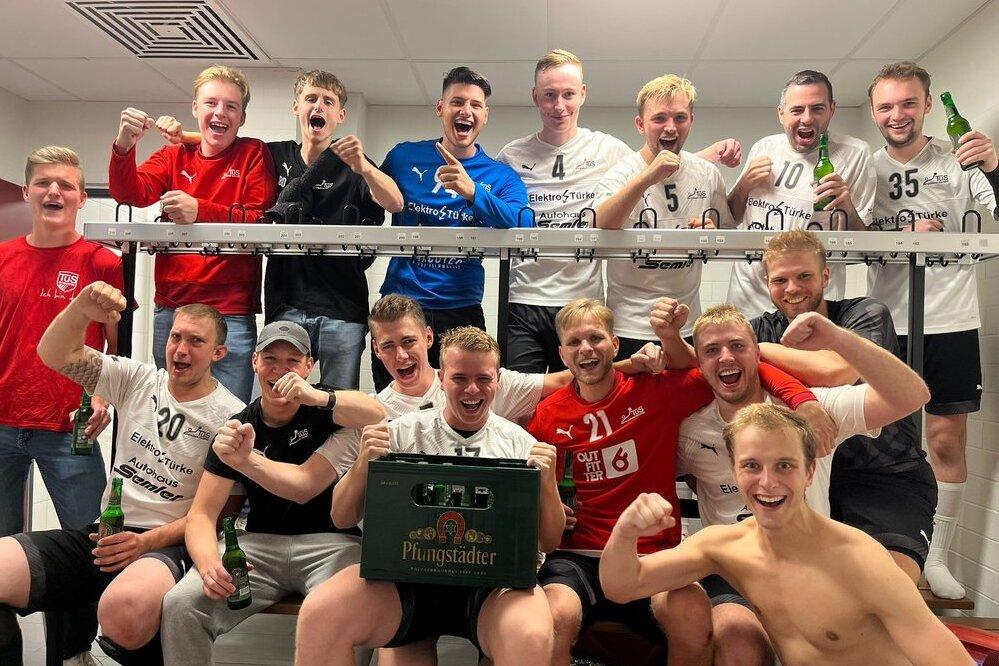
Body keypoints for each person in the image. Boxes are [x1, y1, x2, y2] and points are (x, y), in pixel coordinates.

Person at [525, 298, 820, 665]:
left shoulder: (656, 389)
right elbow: (545, 514)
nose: (586, 349)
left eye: (596, 338)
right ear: (562, 353)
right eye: (574, 343)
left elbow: (738, 369)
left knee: (693, 616)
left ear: (615, 344)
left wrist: (801, 399)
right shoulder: (547, 415)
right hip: (578, 556)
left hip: (654, 554)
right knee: (553, 617)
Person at [600, 403, 973, 666]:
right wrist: (626, 531)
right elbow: (624, 585)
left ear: (809, 472)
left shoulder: (859, 560)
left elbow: (946, 658)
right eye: (751, 466)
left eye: (784, 466)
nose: (767, 482)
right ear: (733, 470)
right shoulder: (726, 546)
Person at [670, 304, 930, 664]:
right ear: (698, 363)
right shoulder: (691, 430)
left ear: (758, 352)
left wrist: (839, 339)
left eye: (738, 346)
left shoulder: (815, 410)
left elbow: (911, 396)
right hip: (735, 571)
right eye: (712, 350)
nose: (726, 357)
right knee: (738, 647)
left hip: (811, 567)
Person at [0, 282, 243, 666]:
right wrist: (82, 309)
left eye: (196, 341)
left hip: (165, 545)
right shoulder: (137, 378)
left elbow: (220, 514)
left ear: (218, 353)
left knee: (124, 611)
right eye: (176, 336)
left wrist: (146, 543)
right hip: (104, 533)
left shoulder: (231, 416)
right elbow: (53, 353)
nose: (180, 349)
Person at [294, 327, 563, 666]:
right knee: (319, 614)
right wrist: (364, 463)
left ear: (497, 379)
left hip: (491, 588)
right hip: (407, 582)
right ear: (441, 377)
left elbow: (550, 541)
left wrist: (548, 483)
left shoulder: (519, 443)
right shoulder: (400, 432)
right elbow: (341, 516)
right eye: (459, 377)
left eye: (483, 378)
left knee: (532, 634)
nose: (471, 389)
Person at [158, 70, 403, 389]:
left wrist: (365, 167)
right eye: (311, 99)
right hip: (286, 304)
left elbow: (395, 203)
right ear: (296, 107)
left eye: (328, 102)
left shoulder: (354, 162)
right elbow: (229, 144)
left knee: (339, 403)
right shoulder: (274, 155)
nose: (319, 106)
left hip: (343, 309)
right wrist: (185, 136)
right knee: (279, 400)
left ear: (340, 114)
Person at [159, 321, 384, 665]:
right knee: (181, 604)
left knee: (360, 601)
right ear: (254, 362)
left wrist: (315, 396)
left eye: (292, 361)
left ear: (309, 366)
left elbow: (376, 413)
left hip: (333, 544)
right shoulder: (237, 426)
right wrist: (207, 566)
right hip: (259, 547)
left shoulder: (326, 409)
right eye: (270, 359)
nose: (280, 370)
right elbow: (203, 514)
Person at [865, 61, 999, 598]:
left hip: (951, 318)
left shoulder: (959, 158)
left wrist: (992, 165)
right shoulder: (864, 167)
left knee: (945, 438)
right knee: (882, 441)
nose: (897, 115)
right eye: (886, 105)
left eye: (908, 103)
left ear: (925, 106)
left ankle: (937, 557)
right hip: (885, 322)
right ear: (874, 111)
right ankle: (891, 556)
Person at [751, 229, 937, 584]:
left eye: (804, 276)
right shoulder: (761, 327)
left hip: (884, 475)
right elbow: (716, 362)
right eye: (781, 280)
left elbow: (836, 371)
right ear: (767, 283)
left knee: (886, 589)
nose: (792, 288)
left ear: (825, 275)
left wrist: (760, 351)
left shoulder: (864, 314)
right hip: (811, 481)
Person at [0, 147, 123, 665]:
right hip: (1, 425)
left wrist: (101, 394)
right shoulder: (2, 257)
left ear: (81, 197)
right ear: (27, 192)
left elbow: (114, 345)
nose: (55, 192)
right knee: (2, 556)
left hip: (68, 430)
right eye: (45, 183)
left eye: (67, 185)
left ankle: (71, 656)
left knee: (90, 550)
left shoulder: (102, 261)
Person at [108, 64, 277, 402]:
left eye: (231, 106)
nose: (221, 112)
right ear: (195, 109)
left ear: (242, 117)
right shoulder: (173, 156)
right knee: (173, 410)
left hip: (231, 310)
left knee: (230, 416)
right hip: (173, 306)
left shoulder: (252, 153)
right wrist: (124, 145)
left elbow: (260, 219)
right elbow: (131, 193)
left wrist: (199, 211)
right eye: (211, 103)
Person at [374, 66, 529, 390]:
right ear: (441, 108)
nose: (466, 111)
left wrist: (473, 191)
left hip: (460, 306)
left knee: (464, 401)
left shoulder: (499, 176)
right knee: (394, 403)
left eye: (475, 105)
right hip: (401, 304)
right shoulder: (404, 156)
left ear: (485, 115)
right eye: (457, 102)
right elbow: (372, 204)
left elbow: (524, 224)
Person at [496, 49, 633, 372]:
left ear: (582, 94)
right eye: (550, 95)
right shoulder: (511, 155)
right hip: (524, 299)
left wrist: (708, 156)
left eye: (568, 94)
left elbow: (652, 170)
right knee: (521, 401)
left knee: (578, 399)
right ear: (535, 97)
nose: (559, 106)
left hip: (582, 301)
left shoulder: (607, 149)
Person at [593, 74, 735, 358]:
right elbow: (598, 225)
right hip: (629, 326)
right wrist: (647, 178)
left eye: (680, 118)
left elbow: (726, 231)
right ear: (640, 124)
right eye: (659, 118)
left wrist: (711, 231)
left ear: (691, 121)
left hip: (687, 323)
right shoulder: (621, 173)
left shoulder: (707, 174)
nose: (670, 127)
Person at [725, 70, 876, 319]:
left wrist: (846, 206)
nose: (807, 119)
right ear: (781, 113)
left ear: (832, 109)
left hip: (813, 304)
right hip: (749, 302)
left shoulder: (856, 153)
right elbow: (730, 218)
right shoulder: (764, 147)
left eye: (817, 109)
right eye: (797, 110)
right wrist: (743, 185)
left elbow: (864, 246)